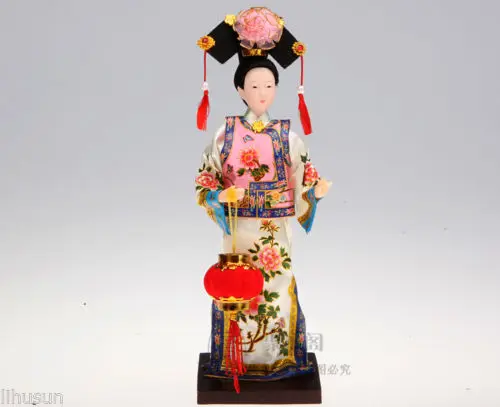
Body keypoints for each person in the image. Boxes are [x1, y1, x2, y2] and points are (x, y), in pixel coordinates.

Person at [194, 7, 331, 381]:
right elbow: (206, 178)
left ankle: (279, 357)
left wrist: (313, 191)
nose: (262, 93)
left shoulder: (287, 136)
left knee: (277, 287)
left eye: (268, 86)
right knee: (239, 290)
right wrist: (219, 196)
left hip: (276, 229)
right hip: (239, 228)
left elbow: (304, 172)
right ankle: (236, 360)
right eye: (254, 86)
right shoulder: (225, 135)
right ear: (240, 90)